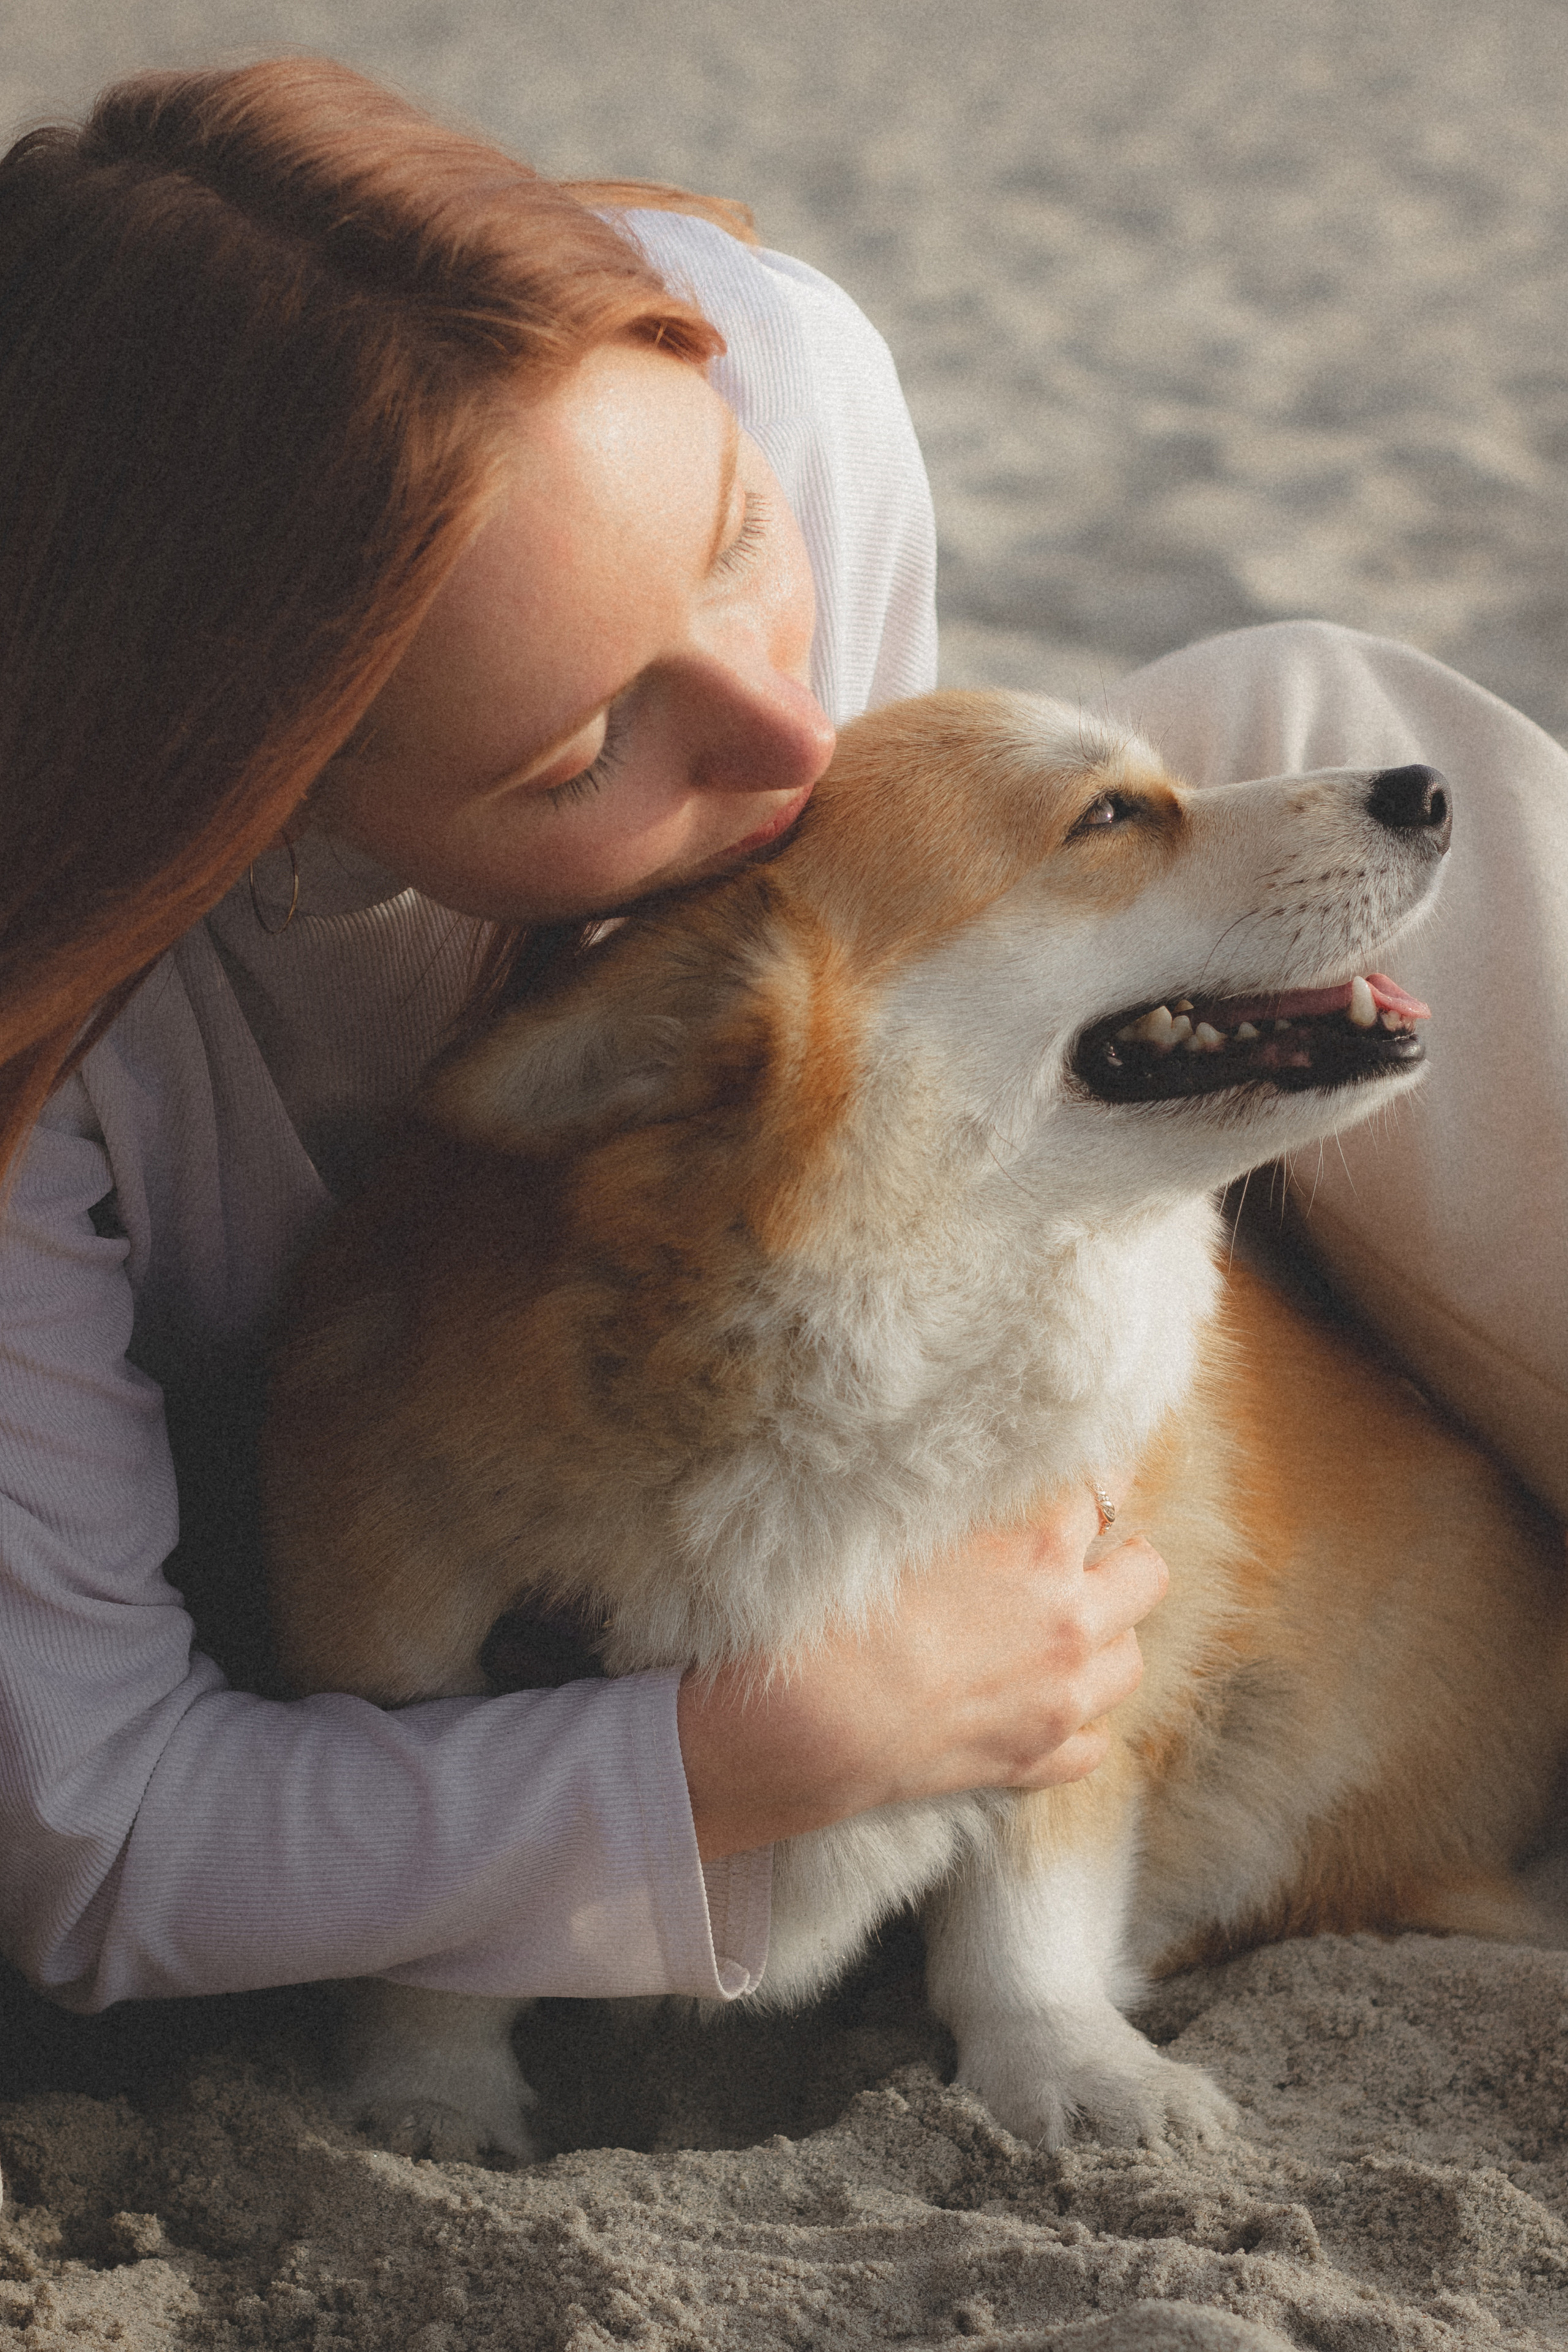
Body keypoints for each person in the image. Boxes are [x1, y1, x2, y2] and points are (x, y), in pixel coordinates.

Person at [2, 56, 1563, 2038]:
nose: (790, 740)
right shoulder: (60, 1003)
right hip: (428, 1602)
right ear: (254, 799)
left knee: (1294, 700)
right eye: (583, 749)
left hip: (769, 1395)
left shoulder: (780, 373)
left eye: (737, 538)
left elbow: (914, 1090)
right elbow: (106, 1832)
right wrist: (772, 1746)